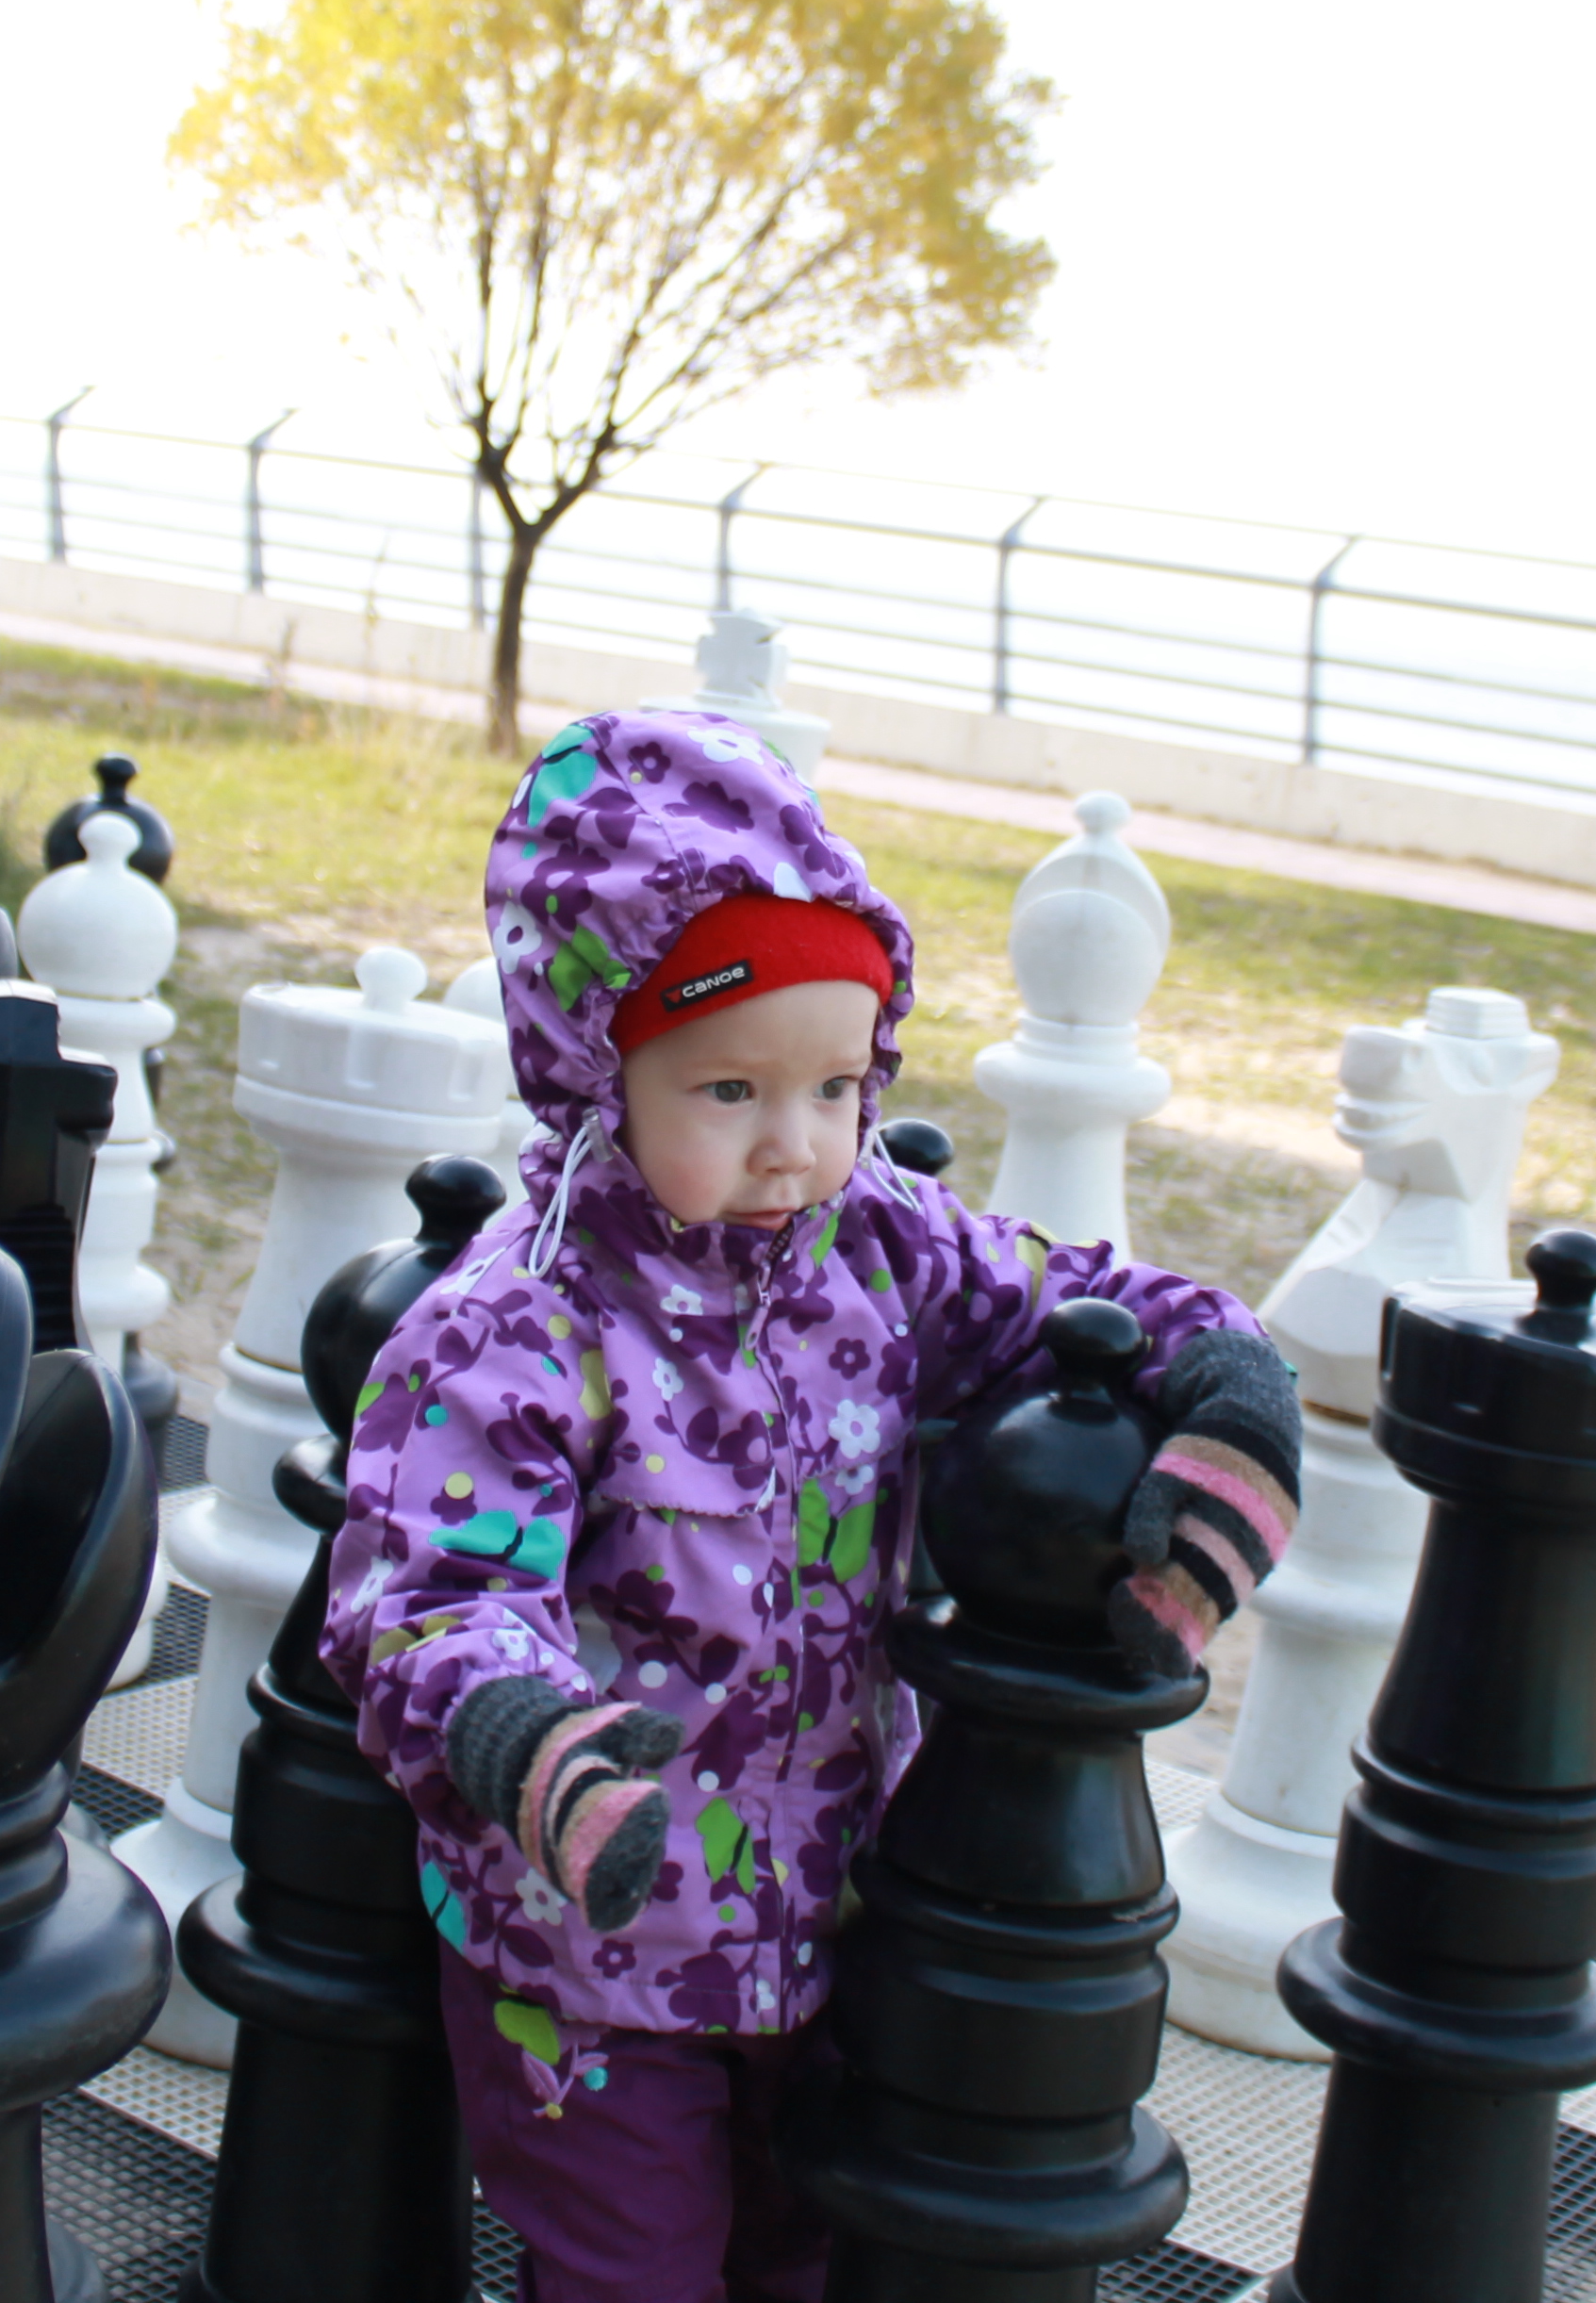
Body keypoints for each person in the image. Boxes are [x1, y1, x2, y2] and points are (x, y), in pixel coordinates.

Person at [323, 708, 1305, 2303]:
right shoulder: (517, 1327)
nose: (794, 1145)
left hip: (835, 1919)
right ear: (598, 1068)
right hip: (587, 1951)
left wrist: (1232, 1394)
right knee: (632, 2280)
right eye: (730, 1088)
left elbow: (1089, 1299)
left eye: (838, 1085)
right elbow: (428, 1598)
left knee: (804, 2265)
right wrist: (530, 1742)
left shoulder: (881, 1244)